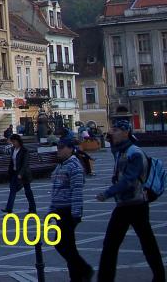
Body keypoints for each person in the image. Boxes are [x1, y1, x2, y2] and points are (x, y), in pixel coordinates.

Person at [96, 119, 165, 282]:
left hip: (135, 204)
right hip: (126, 204)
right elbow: (113, 148)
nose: (111, 132)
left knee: (141, 244)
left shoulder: (135, 153)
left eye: (115, 129)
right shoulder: (120, 150)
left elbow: (129, 180)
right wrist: (111, 138)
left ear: (126, 132)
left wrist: (107, 193)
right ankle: (159, 276)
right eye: (111, 129)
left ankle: (159, 276)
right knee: (119, 244)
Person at [49, 133, 93, 282]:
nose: (58, 150)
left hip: (68, 211)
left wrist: (75, 213)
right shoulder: (61, 165)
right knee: (68, 246)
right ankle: (77, 276)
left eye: (61, 148)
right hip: (60, 210)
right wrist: (51, 211)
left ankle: (84, 269)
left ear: (70, 149)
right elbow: (56, 190)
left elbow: (77, 191)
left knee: (61, 244)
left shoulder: (74, 166)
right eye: (58, 147)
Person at [3, 133, 36, 213]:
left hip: (24, 174)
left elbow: (25, 164)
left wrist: (21, 174)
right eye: (12, 142)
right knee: (12, 190)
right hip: (14, 173)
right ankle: (9, 208)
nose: (13, 143)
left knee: (28, 191)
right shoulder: (13, 150)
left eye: (14, 142)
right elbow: (12, 161)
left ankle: (32, 208)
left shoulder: (24, 151)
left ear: (18, 141)